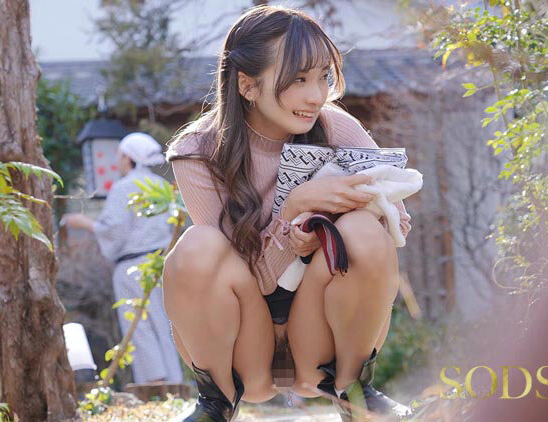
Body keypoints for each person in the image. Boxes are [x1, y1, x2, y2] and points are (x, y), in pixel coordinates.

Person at [163, 5, 413, 421]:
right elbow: (246, 276)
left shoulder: (337, 128)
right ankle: (216, 404)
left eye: (322, 77)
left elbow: (396, 226)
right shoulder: (198, 152)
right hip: (246, 348)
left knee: (366, 230)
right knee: (197, 246)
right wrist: (296, 205)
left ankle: (355, 392)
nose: (316, 95)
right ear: (247, 85)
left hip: (321, 337)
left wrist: (352, 216)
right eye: (299, 79)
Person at [62, 132, 184, 385]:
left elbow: (113, 231)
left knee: (138, 324)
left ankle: (154, 381)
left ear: (129, 158)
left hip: (132, 266)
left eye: (120, 157)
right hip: (161, 264)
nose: (117, 162)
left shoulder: (124, 187)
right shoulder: (161, 186)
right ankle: (174, 380)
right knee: (164, 324)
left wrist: (83, 222)